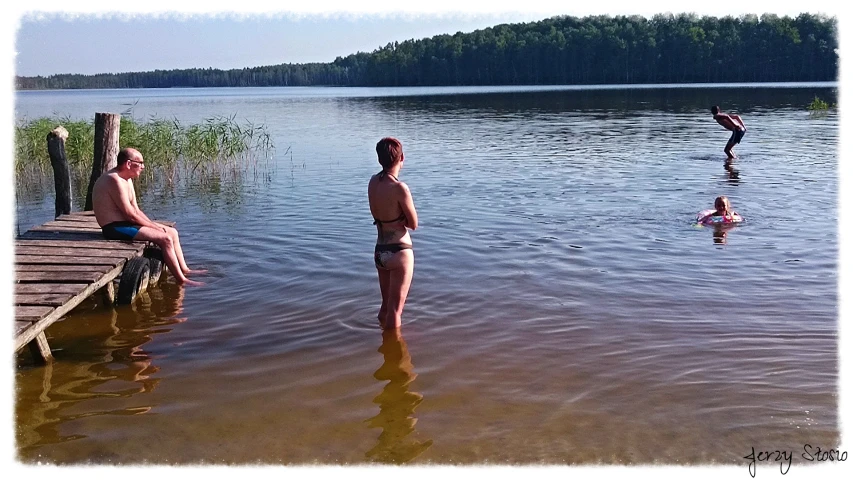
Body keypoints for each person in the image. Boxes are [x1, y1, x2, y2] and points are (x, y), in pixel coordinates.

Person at [92, 147, 205, 286]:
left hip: (126, 223)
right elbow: (130, 214)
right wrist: (154, 227)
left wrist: (154, 225)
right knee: (165, 239)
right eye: (140, 163)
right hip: (114, 228)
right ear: (128, 164)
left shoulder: (127, 179)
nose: (143, 167)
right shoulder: (114, 179)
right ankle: (182, 280)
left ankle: (185, 270)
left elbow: (136, 210)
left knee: (173, 232)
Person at [368, 137, 418, 330]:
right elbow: (413, 223)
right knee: (396, 311)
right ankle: (394, 354)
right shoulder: (400, 188)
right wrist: (401, 219)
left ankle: (383, 344)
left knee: (385, 307)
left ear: (379, 159)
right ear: (401, 157)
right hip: (399, 251)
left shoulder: (373, 182)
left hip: (380, 252)